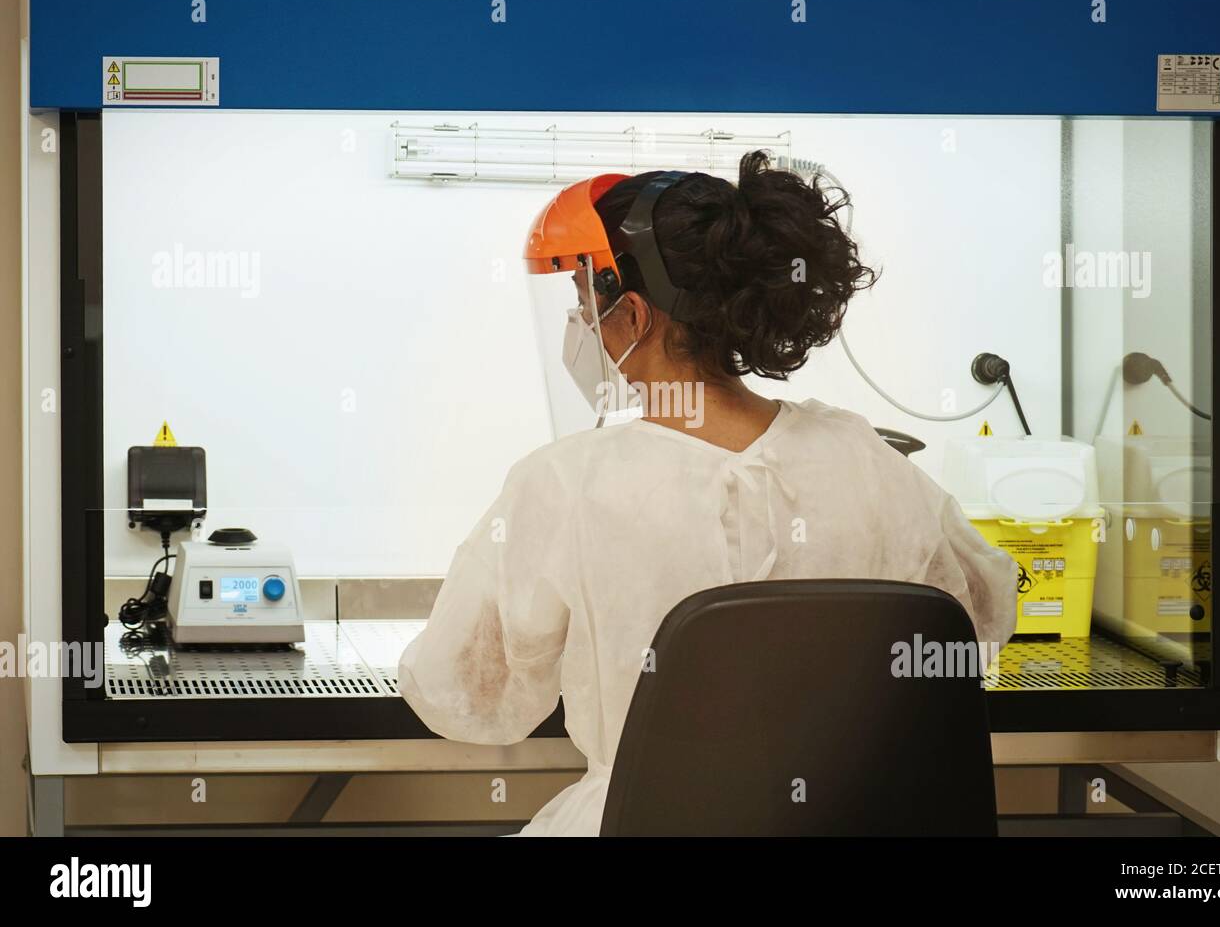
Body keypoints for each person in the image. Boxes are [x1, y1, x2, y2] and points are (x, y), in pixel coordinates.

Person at [398, 151, 1017, 836]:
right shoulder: (865, 457)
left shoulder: (565, 483)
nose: (583, 329)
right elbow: (979, 620)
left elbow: (468, 692)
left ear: (633, 317)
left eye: (585, 306)